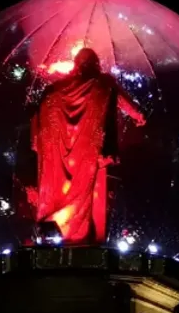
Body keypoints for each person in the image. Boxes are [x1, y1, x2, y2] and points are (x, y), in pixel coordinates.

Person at [30, 47, 145, 244]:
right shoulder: (104, 83)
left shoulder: (56, 89)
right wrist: (139, 116)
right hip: (88, 150)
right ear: (95, 63)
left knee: (61, 189)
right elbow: (128, 105)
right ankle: (78, 236)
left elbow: (38, 118)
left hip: (59, 153)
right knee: (86, 192)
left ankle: (56, 231)